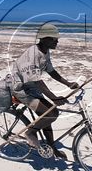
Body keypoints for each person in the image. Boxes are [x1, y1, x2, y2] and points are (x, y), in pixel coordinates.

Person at [10, 23, 79, 160]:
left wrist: (68, 83)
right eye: (54, 38)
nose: (57, 41)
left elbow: (51, 71)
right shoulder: (33, 54)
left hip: (32, 87)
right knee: (52, 113)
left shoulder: (45, 51)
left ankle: (52, 148)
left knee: (48, 114)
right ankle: (30, 133)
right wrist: (54, 98)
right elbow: (37, 81)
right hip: (21, 88)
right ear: (44, 39)